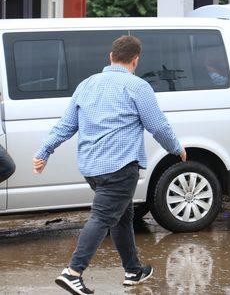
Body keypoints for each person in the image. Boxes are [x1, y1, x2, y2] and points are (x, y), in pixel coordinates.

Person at [32, 36, 186, 294]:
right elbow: (157, 125)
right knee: (103, 216)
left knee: (122, 218)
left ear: (110, 57)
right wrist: (176, 148)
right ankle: (73, 272)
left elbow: (66, 125)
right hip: (120, 166)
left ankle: (133, 270)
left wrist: (44, 151)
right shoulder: (137, 87)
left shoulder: (87, 84)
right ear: (135, 60)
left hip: (92, 168)